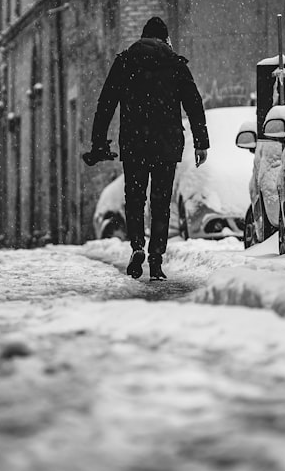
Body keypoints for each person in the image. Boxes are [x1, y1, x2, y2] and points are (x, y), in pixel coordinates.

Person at [85, 16, 209, 281]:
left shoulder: (125, 61)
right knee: (161, 202)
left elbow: (106, 103)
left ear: (143, 37)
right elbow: (193, 103)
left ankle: (138, 245)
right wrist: (202, 142)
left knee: (135, 198)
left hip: (134, 142)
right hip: (166, 143)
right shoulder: (175, 64)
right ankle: (156, 258)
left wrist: (99, 141)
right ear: (165, 39)